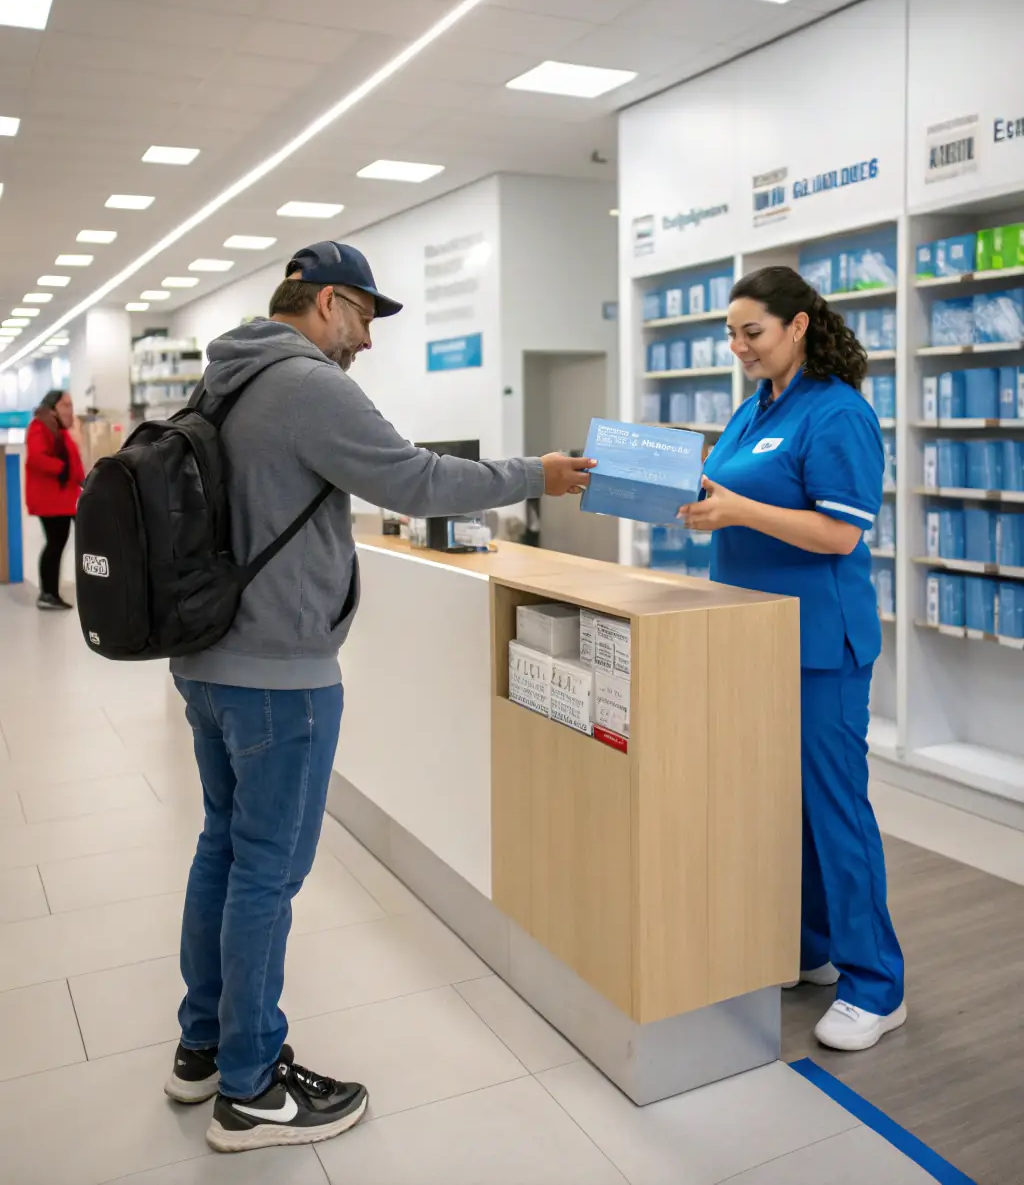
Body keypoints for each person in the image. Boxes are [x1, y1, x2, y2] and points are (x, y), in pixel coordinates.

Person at [164, 240, 594, 1154]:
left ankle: (202, 1046)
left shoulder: (224, 378)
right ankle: (250, 1087)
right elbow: (417, 479)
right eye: (362, 316)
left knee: (224, 850)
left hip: (207, 661)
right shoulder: (307, 383)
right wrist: (536, 474)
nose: (366, 339)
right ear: (325, 302)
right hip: (278, 675)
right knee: (265, 872)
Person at [679, 266, 905, 1054]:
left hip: (819, 645)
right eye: (731, 334)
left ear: (798, 325)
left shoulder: (838, 412)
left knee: (837, 809)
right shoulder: (754, 409)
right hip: (755, 639)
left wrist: (737, 508)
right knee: (786, 805)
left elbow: (839, 532)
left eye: (753, 332)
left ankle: (876, 985)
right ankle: (812, 947)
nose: (739, 346)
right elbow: (736, 497)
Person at [25, 388, 84, 611]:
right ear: (53, 407)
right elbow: (36, 458)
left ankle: (51, 592)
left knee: (60, 543)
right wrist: (62, 469)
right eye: (65, 405)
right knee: (55, 544)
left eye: (71, 405)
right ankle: (48, 594)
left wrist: (83, 480)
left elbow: (74, 461)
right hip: (50, 500)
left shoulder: (60, 430)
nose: (70, 409)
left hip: (64, 498)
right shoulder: (39, 427)